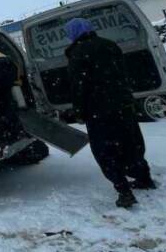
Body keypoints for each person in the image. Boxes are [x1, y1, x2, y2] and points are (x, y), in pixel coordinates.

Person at [65, 17, 154, 209]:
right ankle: (144, 177)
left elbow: (78, 86)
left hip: (98, 110)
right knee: (131, 141)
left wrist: (79, 111)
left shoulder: (78, 53)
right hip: (123, 104)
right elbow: (123, 72)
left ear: (72, 34)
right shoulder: (110, 45)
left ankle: (123, 190)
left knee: (106, 150)